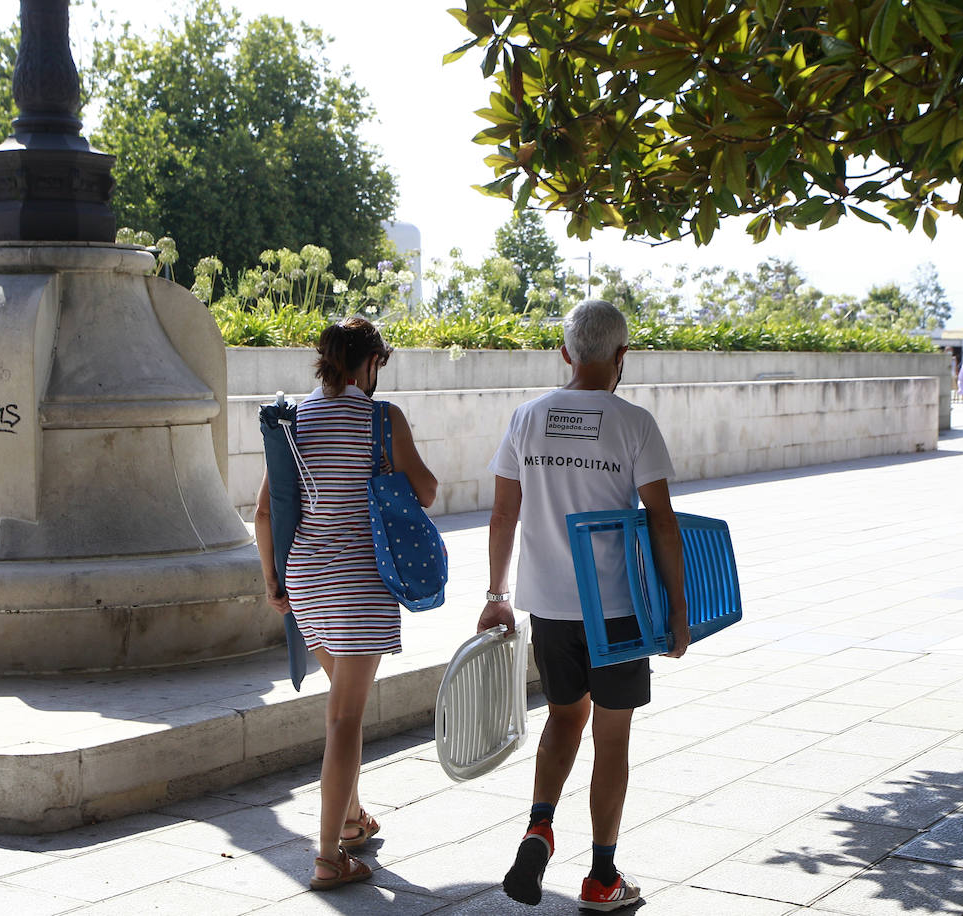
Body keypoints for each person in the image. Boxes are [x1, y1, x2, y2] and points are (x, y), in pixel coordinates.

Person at [479, 299, 690, 912]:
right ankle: (602, 877)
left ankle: (539, 827)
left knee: (563, 719)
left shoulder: (527, 417)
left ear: (565, 353)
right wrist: (678, 610)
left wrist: (497, 596)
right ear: (622, 356)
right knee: (612, 739)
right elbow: (663, 522)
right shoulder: (634, 423)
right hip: (617, 613)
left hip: (548, 609)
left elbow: (501, 514)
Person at [253, 317, 437, 891]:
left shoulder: (294, 420)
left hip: (307, 580)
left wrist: (273, 582)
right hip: (360, 583)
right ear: (373, 363)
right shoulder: (382, 419)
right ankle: (329, 856)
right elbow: (427, 491)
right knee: (346, 719)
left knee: (341, 704)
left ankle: (353, 823)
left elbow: (264, 511)